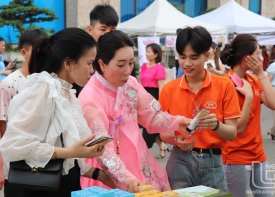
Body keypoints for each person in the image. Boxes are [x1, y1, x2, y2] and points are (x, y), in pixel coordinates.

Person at [0, 28, 115, 197]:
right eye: (89, 63)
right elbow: (12, 145)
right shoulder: (44, 89)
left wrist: (98, 174)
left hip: (61, 185)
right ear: (68, 63)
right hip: (37, 189)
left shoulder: (66, 91)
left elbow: (66, 154)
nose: (92, 70)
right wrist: (71, 152)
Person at [79, 30, 196, 192]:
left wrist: (178, 122)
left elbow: (152, 116)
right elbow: (102, 150)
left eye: (131, 63)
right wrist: (127, 180)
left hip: (138, 159)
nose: (127, 70)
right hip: (109, 169)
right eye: (121, 65)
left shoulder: (130, 84)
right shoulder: (89, 98)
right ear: (102, 64)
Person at [159, 26, 240, 191]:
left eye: (194, 57)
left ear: (207, 55)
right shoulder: (169, 89)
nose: (187, 63)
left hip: (213, 161)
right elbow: (163, 132)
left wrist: (216, 125)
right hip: (179, 161)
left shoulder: (224, 85)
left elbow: (232, 133)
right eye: (182, 57)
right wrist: (176, 140)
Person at [221, 34, 275, 197]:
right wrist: (249, 97)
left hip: (258, 154)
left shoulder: (253, 79)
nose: (260, 58)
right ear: (247, 58)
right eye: (257, 54)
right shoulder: (226, 84)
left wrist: (261, 74)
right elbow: (238, 128)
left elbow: (274, 104)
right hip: (235, 157)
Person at [0, 29, 48, 190]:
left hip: (46, 163)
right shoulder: (9, 84)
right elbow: (2, 129)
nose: (43, 54)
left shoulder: (49, 82)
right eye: (38, 50)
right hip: (16, 165)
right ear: (23, 52)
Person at [73, 4, 118, 97]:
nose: (108, 34)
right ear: (90, 30)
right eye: (103, 29)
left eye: (113, 29)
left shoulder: (120, 56)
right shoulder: (80, 55)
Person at [139, 43, 167, 159]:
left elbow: (161, 87)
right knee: (144, 123)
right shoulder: (144, 66)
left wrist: (160, 103)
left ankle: (145, 149)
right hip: (144, 95)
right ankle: (162, 145)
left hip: (154, 96)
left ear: (156, 54)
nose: (146, 54)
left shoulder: (159, 68)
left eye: (149, 51)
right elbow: (141, 83)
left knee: (149, 124)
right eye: (146, 51)